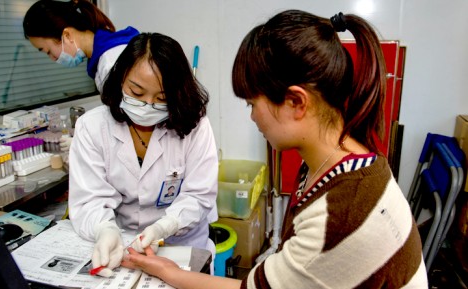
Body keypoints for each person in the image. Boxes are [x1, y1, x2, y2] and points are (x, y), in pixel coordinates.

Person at [121, 10, 428, 289]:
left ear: (296, 102)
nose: (252, 116)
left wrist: (168, 272)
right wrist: (168, 269)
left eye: (253, 104)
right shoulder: (339, 161)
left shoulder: (339, 214)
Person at [68, 32, 218, 278]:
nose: (148, 105)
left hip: (182, 245)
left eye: (162, 99)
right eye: (137, 93)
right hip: (123, 246)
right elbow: (89, 199)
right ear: (120, 79)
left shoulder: (195, 125)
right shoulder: (92, 127)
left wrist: (165, 226)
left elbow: (199, 196)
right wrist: (105, 230)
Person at [23, 0, 140, 151]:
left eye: (48, 51)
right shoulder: (103, 57)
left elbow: (131, 125)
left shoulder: (111, 61)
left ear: (66, 35)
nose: (52, 58)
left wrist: (87, 146)